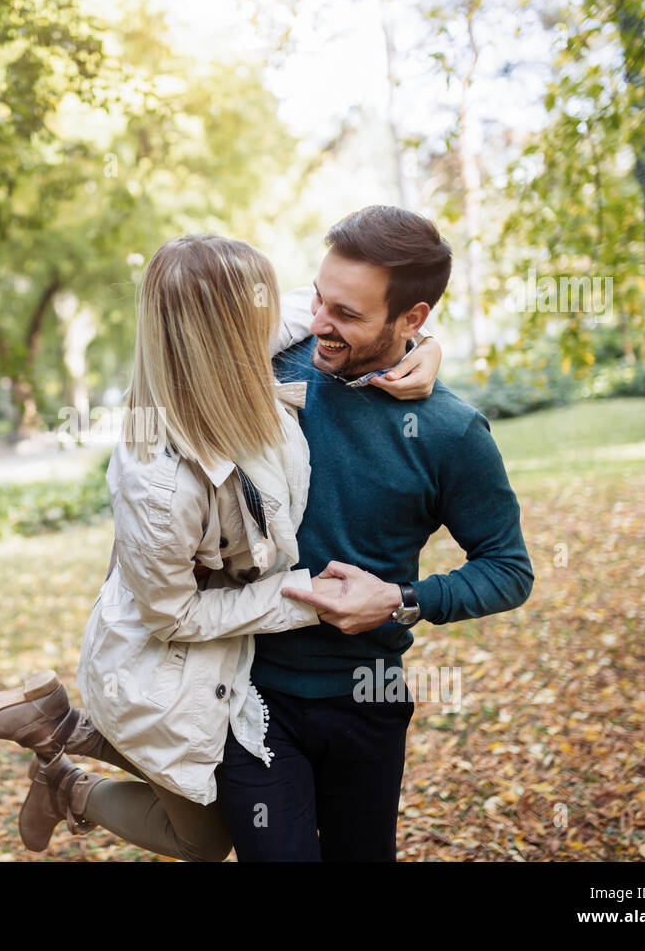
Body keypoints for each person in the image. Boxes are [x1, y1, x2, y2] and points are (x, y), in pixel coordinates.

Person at [0, 232, 443, 860]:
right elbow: (170, 615)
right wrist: (302, 598)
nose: (302, 319)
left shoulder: (236, 345)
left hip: (218, 653)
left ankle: (54, 724)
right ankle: (69, 782)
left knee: (217, 817)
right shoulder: (159, 481)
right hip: (161, 668)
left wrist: (422, 345)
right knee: (204, 840)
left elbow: (352, 313)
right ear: (229, 327)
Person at [216, 205, 535, 861]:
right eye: (320, 299)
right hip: (249, 691)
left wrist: (399, 599)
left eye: (348, 314)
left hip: (369, 698)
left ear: (413, 319)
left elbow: (509, 568)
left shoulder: (452, 433)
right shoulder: (269, 367)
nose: (320, 324)